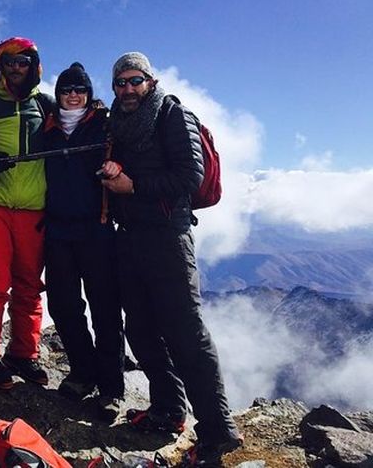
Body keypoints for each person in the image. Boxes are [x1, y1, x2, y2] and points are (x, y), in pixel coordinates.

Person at [101, 52, 243, 465]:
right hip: (130, 238)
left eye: (134, 80)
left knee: (185, 332)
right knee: (141, 331)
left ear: (150, 80)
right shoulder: (118, 121)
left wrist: (132, 185)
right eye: (120, 82)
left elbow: (189, 177)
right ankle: (168, 409)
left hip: (168, 237)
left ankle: (218, 431)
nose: (127, 89)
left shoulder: (172, 115)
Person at [0, 36, 53, 389]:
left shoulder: (46, 106)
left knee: (30, 286)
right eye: (10, 61)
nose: (17, 68)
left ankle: (23, 352)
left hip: (34, 207)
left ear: (34, 67)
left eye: (24, 61)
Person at [43, 62, 124, 421]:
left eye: (80, 90)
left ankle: (111, 388)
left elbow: (124, 157)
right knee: (63, 305)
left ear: (89, 95)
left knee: (104, 307)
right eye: (66, 90)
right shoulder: (47, 130)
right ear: (58, 94)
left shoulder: (105, 127)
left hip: (97, 229)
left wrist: (117, 168)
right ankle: (82, 371)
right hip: (57, 231)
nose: (73, 95)